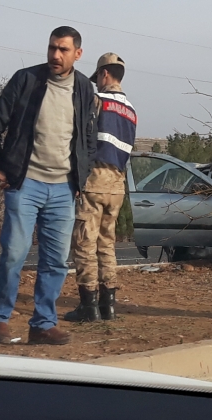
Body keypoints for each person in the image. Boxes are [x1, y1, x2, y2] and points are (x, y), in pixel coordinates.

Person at [0, 26, 97, 345]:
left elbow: (89, 137)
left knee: (56, 261)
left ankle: (43, 324)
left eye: (63, 49)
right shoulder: (26, 79)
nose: (55, 55)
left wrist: (81, 177)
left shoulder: (84, 87)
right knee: (14, 253)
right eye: (52, 48)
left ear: (77, 54)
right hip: (25, 183)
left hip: (63, 189)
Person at [65, 53, 137, 323]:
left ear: (104, 74)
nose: (96, 83)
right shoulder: (131, 110)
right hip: (117, 184)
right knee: (107, 243)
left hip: (94, 179)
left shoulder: (97, 100)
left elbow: (80, 138)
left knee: (85, 243)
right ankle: (109, 305)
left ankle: (89, 306)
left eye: (97, 78)